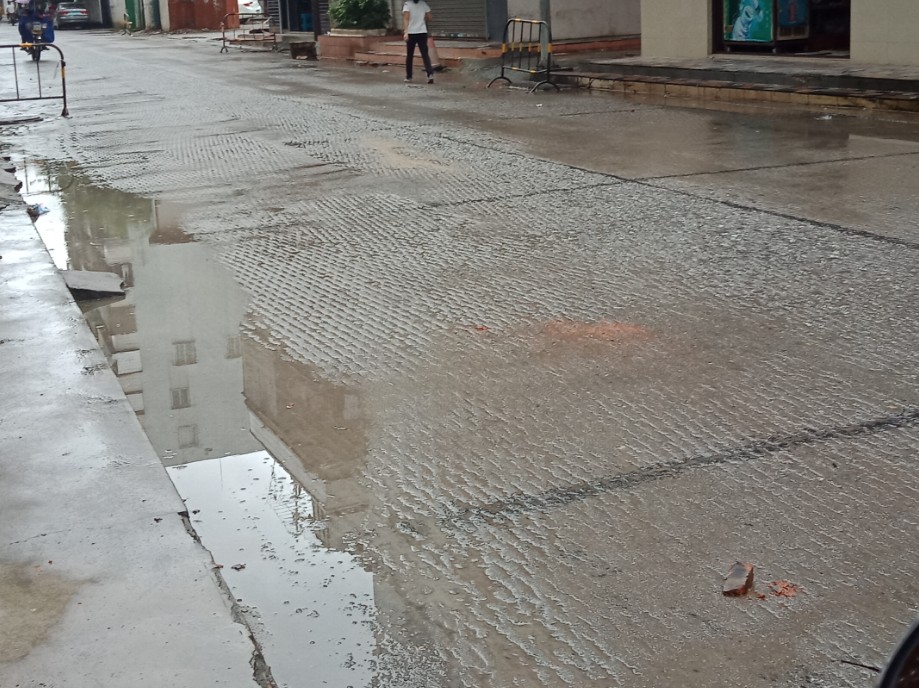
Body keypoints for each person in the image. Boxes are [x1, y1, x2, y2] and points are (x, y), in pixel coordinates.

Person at [402, 0, 433, 84]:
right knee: (425, 54)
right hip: (422, 32)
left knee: (410, 55)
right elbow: (430, 18)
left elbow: (406, 18)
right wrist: (423, 17)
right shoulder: (423, 4)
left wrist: (406, 32)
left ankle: (409, 77)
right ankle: (430, 74)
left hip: (411, 33)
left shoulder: (407, 4)